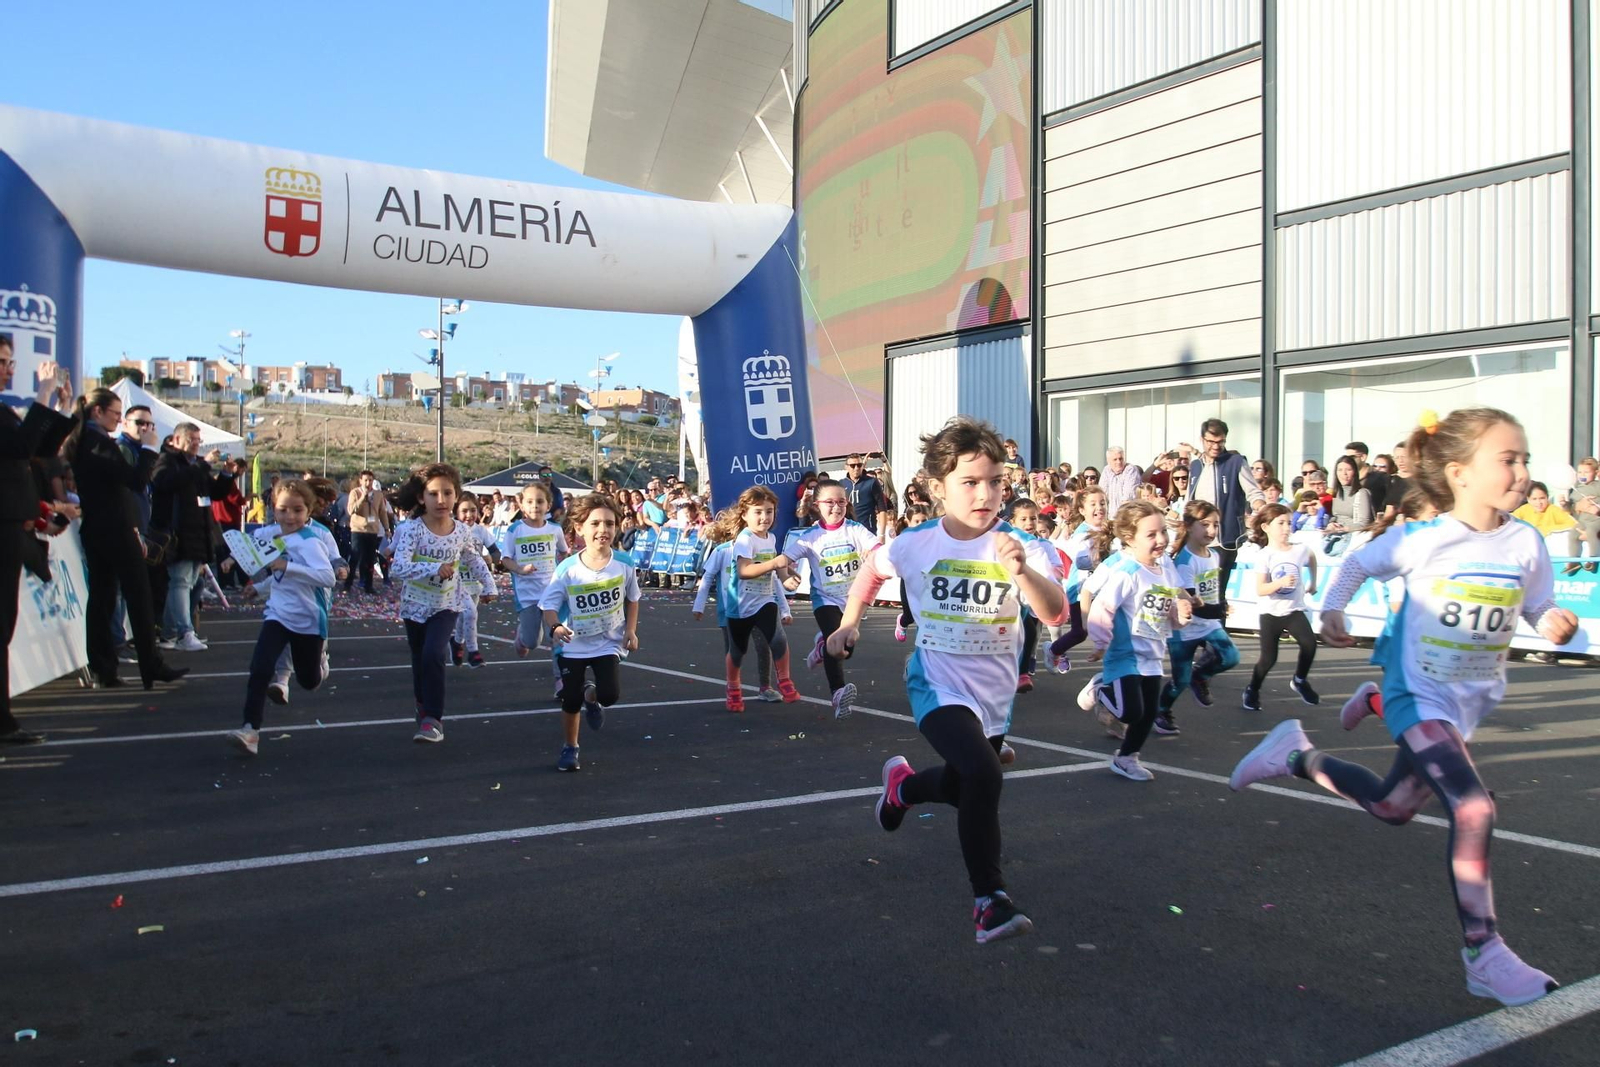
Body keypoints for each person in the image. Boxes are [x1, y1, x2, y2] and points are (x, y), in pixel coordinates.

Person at [1230, 407, 1578, 1007]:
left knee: (1393, 807)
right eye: (1508, 460)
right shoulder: (1426, 538)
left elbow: (1533, 606)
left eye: (1525, 459)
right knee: (1472, 809)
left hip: (1465, 702)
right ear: (1460, 473)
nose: (1522, 472)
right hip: (1417, 692)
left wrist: (1553, 623)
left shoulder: (1525, 541)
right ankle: (1483, 951)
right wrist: (1332, 607)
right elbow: (1359, 562)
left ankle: (1296, 756)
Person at [827, 417, 1065, 944]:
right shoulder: (917, 543)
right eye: (970, 482)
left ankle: (904, 788)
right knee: (984, 774)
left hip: (995, 694)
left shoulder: (1020, 545)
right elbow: (870, 571)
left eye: (996, 482)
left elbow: (1055, 615)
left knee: (967, 786)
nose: (986, 494)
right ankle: (990, 900)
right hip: (937, 682)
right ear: (937, 488)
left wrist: (1023, 573)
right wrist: (848, 624)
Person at [66, 388, 187, 691]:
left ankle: (106, 666)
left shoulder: (91, 443)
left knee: (105, 598)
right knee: (136, 597)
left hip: (104, 529)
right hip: (112, 531)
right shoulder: (96, 444)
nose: (118, 421)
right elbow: (132, 480)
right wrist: (148, 450)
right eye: (116, 415)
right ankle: (147, 663)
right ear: (98, 412)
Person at [1082, 501, 1192, 779]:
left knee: (1148, 713)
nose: (1161, 540)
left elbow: (1166, 614)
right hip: (1125, 653)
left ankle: (1127, 758)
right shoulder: (1127, 571)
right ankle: (1101, 689)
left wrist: (1181, 614)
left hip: (1153, 652)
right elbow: (1102, 607)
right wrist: (1099, 642)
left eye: (1163, 532)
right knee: (1131, 712)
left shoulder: (1166, 571)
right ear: (1129, 538)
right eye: (1151, 535)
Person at [388, 463, 495, 744]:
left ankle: (433, 719)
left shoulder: (461, 531)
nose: (441, 500)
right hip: (414, 605)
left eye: (448, 493)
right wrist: (432, 568)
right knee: (419, 657)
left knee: (434, 653)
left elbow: (473, 558)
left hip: (447, 603)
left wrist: (490, 585)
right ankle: (422, 705)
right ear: (422, 498)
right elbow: (396, 569)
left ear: (456, 496)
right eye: (433, 494)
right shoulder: (412, 530)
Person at [226, 480, 335, 755]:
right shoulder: (272, 535)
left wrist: (289, 565)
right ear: (274, 509)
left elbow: (327, 577)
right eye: (283, 509)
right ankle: (251, 730)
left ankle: (321, 661)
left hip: (309, 618)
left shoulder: (311, 542)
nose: (290, 517)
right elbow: (276, 574)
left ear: (308, 511)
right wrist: (259, 589)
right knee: (260, 667)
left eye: (297, 510)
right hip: (278, 613)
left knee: (308, 681)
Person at [0, 349, 75, 744]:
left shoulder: (6, 413)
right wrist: (43, 396)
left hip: (15, 529)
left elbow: (38, 452)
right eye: (2, 361)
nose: (9, 369)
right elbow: (19, 448)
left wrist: (61, 408)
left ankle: (4, 720)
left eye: (10, 362)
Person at [540, 494, 641, 772]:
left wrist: (630, 630)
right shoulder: (568, 569)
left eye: (610, 523)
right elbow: (548, 606)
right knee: (569, 699)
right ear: (579, 528)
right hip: (573, 644)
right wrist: (556, 626)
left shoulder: (624, 563)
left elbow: (633, 598)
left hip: (608, 643)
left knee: (609, 696)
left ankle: (592, 697)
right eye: (595, 523)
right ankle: (570, 747)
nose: (603, 530)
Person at [786, 482, 879, 718]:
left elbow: (877, 548)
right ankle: (837, 693)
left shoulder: (855, 530)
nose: (836, 507)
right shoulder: (810, 536)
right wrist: (786, 577)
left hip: (851, 602)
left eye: (841, 502)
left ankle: (822, 646)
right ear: (817, 506)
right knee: (834, 641)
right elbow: (785, 560)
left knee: (845, 650)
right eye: (830, 502)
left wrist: (873, 554)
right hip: (824, 600)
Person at [1156, 501, 1240, 735]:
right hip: (1183, 629)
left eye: (1215, 525)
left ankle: (1200, 676)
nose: (1211, 531)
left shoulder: (1213, 555)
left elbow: (1211, 592)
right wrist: (1219, 611)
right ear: (1189, 526)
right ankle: (1162, 711)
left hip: (1208, 625)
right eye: (1205, 525)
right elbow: (1192, 605)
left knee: (1231, 656)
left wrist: (1220, 605)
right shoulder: (1184, 562)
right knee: (1179, 681)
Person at [149, 423, 229, 651]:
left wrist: (226, 474)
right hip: (178, 532)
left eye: (198, 439)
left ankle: (168, 633)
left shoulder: (195, 465)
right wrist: (203, 464)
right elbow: (164, 482)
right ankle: (184, 631)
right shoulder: (167, 460)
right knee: (180, 582)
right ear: (176, 439)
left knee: (192, 582)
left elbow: (215, 493)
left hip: (199, 531)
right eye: (191, 439)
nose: (196, 443)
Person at [719, 486, 799, 711]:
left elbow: (774, 566)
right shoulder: (745, 539)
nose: (765, 517)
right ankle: (733, 688)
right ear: (744, 514)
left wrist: (786, 576)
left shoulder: (770, 537)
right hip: (740, 605)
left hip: (764, 600)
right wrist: (775, 564)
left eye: (769, 511)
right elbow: (744, 571)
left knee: (778, 639)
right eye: (758, 512)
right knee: (738, 650)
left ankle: (784, 680)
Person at [1242, 503, 1319, 710]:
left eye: (1289, 523)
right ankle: (1252, 690)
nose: (1286, 528)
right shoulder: (1265, 555)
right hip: (1270, 613)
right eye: (1281, 523)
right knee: (1268, 659)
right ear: (1266, 527)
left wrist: (1313, 582)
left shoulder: (1300, 550)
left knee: (1310, 644)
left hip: (1294, 610)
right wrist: (1280, 583)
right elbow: (1260, 589)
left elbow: (1312, 558)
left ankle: (1300, 680)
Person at [1183, 419, 1265, 612]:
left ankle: (1216, 637)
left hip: (1224, 539)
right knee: (1195, 591)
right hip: (1197, 539)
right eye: (1211, 441)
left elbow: (1253, 492)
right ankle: (1201, 635)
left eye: (1220, 442)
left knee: (1215, 593)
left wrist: (1261, 507)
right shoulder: (1195, 466)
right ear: (1202, 440)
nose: (1216, 446)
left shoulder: (1236, 462)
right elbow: (1189, 501)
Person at [504, 482, 569, 693]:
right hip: (527, 594)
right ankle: (522, 637)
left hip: (551, 591)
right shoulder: (515, 530)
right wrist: (520, 569)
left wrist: (563, 572)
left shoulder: (555, 529)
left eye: (540, 501)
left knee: (556, 636)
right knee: (532, 642)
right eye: (530, 502)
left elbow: (563, 552)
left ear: (548, 505)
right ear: (521, 505)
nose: (535, 506)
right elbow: (505, 560)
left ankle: (561, 681)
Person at [448, 494, 502, 669]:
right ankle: (473, 652)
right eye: (464, 511)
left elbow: (496, 553)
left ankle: (457, 643)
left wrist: (489, 559)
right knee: (470, 614)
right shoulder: (450, 529)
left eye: (473, 510)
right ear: (456, 512)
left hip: (475, 582)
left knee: (466, 617)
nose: (469, 515)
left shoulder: (481, 531)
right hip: (456, 581)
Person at [345, 470, 391, 595]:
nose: (368, 483)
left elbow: (382, 512)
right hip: (358, 530)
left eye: (370, 480)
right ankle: (348, 583)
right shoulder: (355, 493)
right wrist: (362, 498)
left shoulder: (378, 495)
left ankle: (368, 586)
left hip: (372, 531)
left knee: (370, 559)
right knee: (355, 557)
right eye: (365, 480)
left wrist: (387, 529)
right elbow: (351, 510)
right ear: (360, 481)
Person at [841, 453, 888, 538]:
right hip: (847, 530)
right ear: (846, 467)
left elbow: (882, 508)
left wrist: (882, 534)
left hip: (867, 529)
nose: (856, 468)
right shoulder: (841, 484)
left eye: (859, 465)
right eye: (852, 466)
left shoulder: (872, 482)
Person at [1327, 455, 1374, 535]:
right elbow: (1336, 516)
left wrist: (1343, 529)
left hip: (1352, 535)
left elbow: (1364, 524)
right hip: (1336, 533)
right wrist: (1331, 524)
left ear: (1355, 472)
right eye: (1340, 470)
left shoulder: (1361, 493)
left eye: (1348, 470)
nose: (1344, 474)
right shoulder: (1336, 493)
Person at [1101, 446, 1143, 512]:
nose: (1118, 462)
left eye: (1121, 459)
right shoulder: (1106, 470)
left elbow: (1128, 497)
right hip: (1108, 515)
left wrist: (1119, 517)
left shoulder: (1131, 469)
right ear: (1108, 461)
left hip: (1126, 513)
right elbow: (1102, 493)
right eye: (1115, 459)